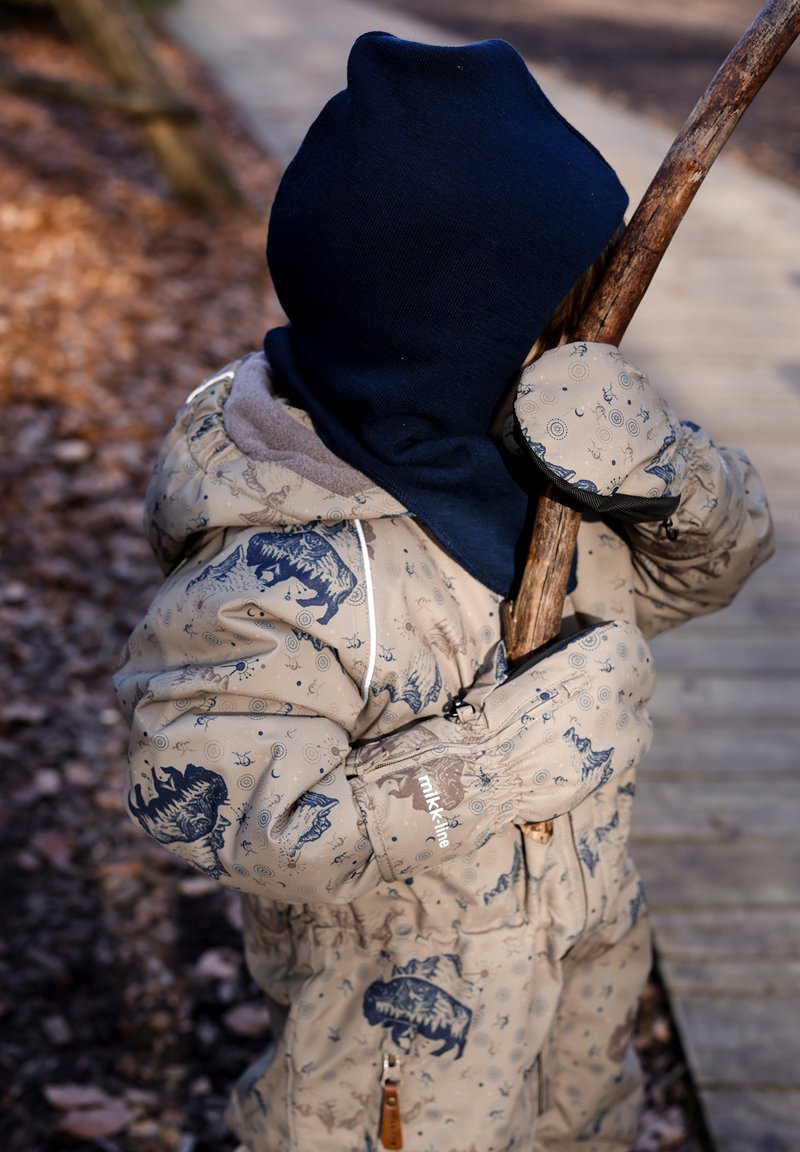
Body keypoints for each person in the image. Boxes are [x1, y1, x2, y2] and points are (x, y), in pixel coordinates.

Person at [113, 31, 773, 1152]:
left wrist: (665, 469)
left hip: (581, 980)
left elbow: (701, 579)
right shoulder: (279, 568)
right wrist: (496, 763)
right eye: (567, 294)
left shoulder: (539, 454)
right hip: (383, 1087)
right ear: (452, 326)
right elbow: (212, 806)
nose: (594, 320)